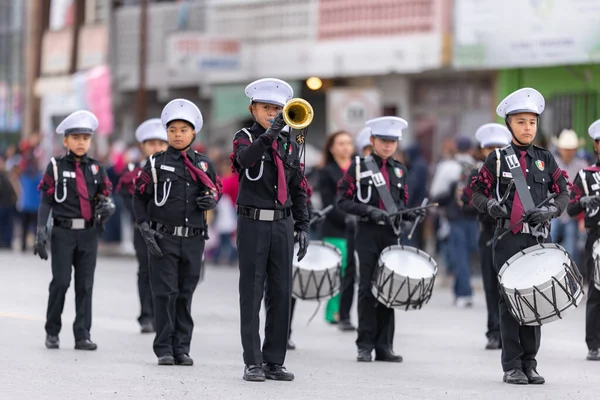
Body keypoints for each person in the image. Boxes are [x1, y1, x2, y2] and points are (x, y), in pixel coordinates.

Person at [469, 88, 569, 384]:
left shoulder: (545, 159)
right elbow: (476, 192)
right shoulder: (497, 160)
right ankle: (511, 364)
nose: (528, 128)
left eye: (532, 122)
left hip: (537, 239)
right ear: (509, 124)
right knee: (509, 302)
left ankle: (530, 363)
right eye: (521, 121)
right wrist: (489, 205)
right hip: (507, 239)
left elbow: (564, 193)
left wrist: (550, 211)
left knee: (535, 303)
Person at [231, 78, 309, 382]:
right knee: (251, 292)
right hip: (252, 222)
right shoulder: (244, 137)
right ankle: (253, 361)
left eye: (278, 109)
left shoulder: (291, 142)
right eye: (266, 108)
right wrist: (270, 134)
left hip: (282, 223)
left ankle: (274, 361)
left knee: (280, 292)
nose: (273, 114)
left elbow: (298, 185)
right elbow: (245, 163)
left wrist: (302, 223)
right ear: (253, 109)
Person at [133, 99, 221, 366]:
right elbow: (139, 197)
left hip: (193, 238)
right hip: (164, 238)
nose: (178, 134)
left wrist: (212, 200)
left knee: (185, 293)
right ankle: (164, 348)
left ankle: (182, 347)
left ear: (193, 133)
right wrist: (144, 227)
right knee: (165, 293)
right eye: (172, 130)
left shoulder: (204, 165)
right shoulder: (155, 164)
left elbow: (216, 190)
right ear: (166, 133)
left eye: (184, 129)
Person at [337, 116, 424, 363]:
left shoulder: (400, 170)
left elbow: (400, 204)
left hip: (390, 233)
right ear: (373, 140)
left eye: (392, 141)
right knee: (366, 288)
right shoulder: (357, 167)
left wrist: (410, 214)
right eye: (383, 141)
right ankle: (364, 345)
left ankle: (384, 346)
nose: (388, 146)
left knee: (389, 288)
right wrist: (368, 211)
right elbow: (342, 201)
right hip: (365, 232)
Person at [35, 110, 116, 351]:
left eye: (85, 138)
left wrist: (108, 207)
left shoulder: (96, 169)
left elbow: (105, 196)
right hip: (63, 233)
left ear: (90, 141)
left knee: (85, 285)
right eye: (76, 137)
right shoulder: (55, 167)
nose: (81, 142)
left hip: (88, 234)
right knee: (60, 282)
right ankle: (52, 331)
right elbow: (46, 201)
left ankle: (82, 334)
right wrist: (41, 230)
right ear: (66, 141)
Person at [116, 118, 168, 334]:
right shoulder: (133, 171)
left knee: (167, 273)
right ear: (143, 146)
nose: (156, 147)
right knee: (145, 271)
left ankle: (164, 316)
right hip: (142, 229)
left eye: (161, 143)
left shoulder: (174, 168)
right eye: (151, 143)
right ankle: (146, 315)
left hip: (168, 230)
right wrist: (144, 219)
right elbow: (128, 199)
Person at [462, 123, 512, 350]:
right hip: (488, 233)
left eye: (499, 146)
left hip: (511, 233)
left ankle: (511, 333)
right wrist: (487, 206)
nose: (494, 151)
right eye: (489, 147)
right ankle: (494, 331)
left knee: (510, 285)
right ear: (482, 151)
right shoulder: (476, 174)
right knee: (491, 285)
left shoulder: (516, 172)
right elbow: (466, 204)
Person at [567, 119, 600, 362]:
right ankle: (594, 344)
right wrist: (582, 203)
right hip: (597, 238)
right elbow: (569, 208)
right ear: (596, 145)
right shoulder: (585, 176)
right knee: (597, 291)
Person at [319, 131, 356, 329]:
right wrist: (347, 220)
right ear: (332, 148)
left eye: (348, 143)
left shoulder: (359, 168)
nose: (345, 147)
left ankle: (346, 312)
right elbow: (328, 203)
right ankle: (334, 311)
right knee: (338, 271)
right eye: (340, 143)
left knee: (352, 273)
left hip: (360, 227)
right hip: (336, 228)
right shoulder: (327, 172)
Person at [551, 129, 587, 272]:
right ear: (560, 148)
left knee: (571, 249)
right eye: (566, 149)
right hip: (554, 213)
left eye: (571, 149)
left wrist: (583, 217)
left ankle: (570, 277)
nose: (568, 152)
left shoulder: (582, 165)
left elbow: (585, 192)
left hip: (572, 214)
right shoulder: (553, 163)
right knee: (548, 244)